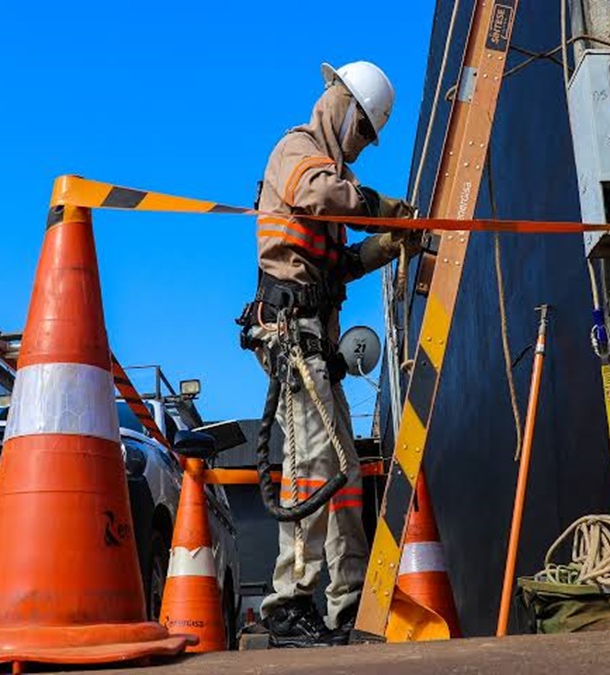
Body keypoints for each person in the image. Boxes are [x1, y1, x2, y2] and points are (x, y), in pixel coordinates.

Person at [237, 60, 422, 648]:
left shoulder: (334, 176)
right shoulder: (299, 152)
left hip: (317, 338)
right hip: (291, 334)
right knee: (311, 465)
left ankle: (346, 607)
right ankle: (288, 601)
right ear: (341, 104)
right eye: (364, 129)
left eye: (371, 136)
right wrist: (385, 207)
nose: (365, 144)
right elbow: (321, 197)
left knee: (342, 476)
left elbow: (339, 262)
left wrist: (390, 245)